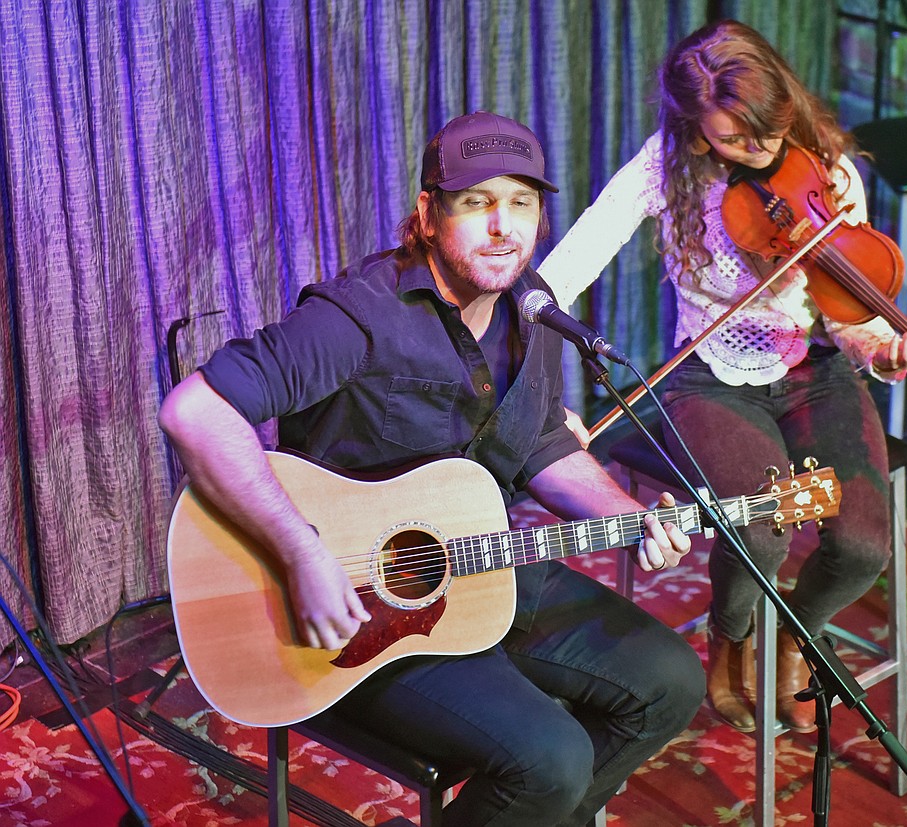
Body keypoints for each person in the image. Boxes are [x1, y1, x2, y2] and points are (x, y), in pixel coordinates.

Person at [159, 110, 705, 826]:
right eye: (478, 203)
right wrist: (301, 553)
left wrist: (627, 517)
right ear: (428, 211)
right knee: (553, 758)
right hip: (351, 613)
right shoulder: (360, 316)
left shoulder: (532, 312)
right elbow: (194, 413)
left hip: (484, 572)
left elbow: (540, 444)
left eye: (522, 203)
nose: (503, 226)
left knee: (671, 680)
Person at [538, 20, 907, 734]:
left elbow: (850, 321)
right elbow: (574, 261)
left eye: (768, 127)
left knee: (861, 546)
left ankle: (796, 629)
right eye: (735, 138)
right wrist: (528, 339)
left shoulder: (829, 173)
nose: (762, 149)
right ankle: (732, 633)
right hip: (707, 375)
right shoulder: (664, 169)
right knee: (762, 529)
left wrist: (884, 350)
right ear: (696, 131)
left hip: (811, 368)